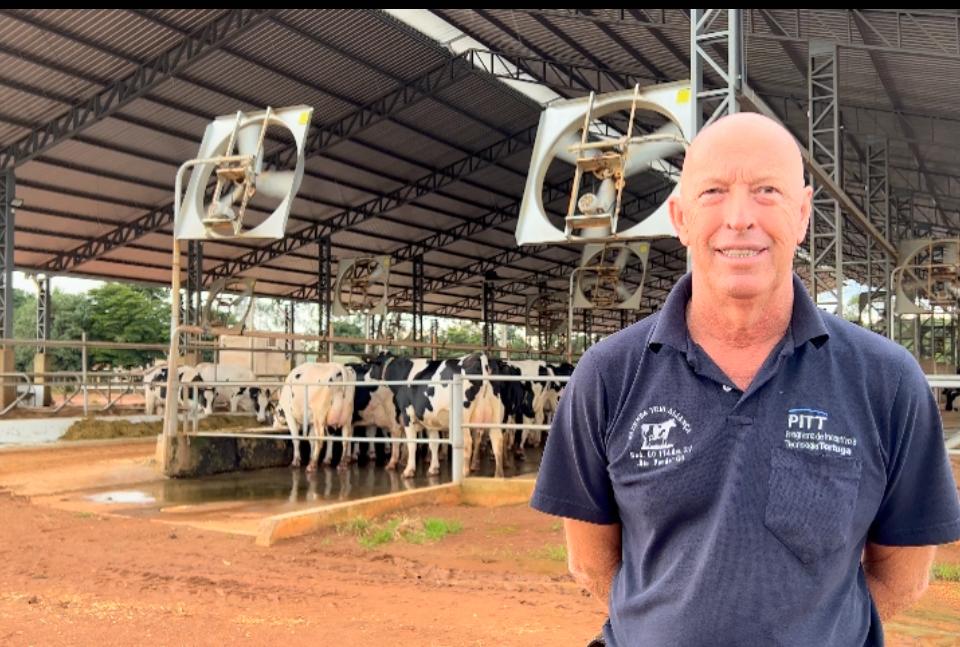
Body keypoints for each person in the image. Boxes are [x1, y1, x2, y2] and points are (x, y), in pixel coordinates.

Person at [531, 112, 960, 646]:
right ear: (680, 217)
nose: (739, 218)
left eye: (767, 191)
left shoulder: (887, 382)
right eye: (713, 191)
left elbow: (904, 574)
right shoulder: (609, 375)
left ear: (802, 215)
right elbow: (590, 562)